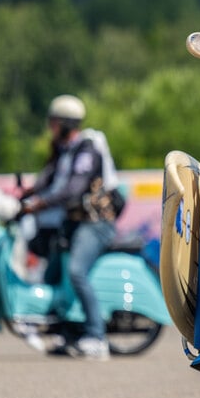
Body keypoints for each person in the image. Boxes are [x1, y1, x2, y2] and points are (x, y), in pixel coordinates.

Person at [20, 95, 123, 361]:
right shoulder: (65, 149)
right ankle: (65, 331)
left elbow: (74, 188)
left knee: (76, 271)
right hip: (75, 222)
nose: (50, 127)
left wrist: (38, 204)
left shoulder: (86, 149)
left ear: (66, 123)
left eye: (54, 123)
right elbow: (47, 179)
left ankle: (97, 338)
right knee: (53, 271)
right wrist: (23, 196)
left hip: (96, 223)